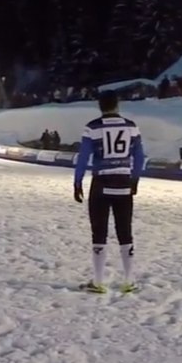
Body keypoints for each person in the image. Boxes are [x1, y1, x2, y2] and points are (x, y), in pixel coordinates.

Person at [73, 90, 145, 294]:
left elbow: (83, 156)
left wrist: (77, 183)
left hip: (101, 182)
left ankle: (98, 281)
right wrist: (135, 179)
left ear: (100, 106)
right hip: (123, 182)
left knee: (99, 232)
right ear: (117, 105)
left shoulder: (92, 127)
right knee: (125, 232)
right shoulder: (131, 127)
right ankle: (129, 280)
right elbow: (139, 157)